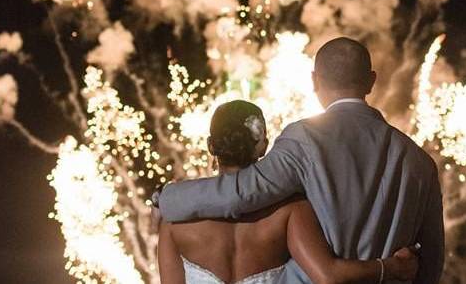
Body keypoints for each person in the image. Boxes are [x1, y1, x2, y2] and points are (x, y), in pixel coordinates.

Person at [154, 37, 444, 283]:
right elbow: (431, 264)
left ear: (315, 81)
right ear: (371, 81)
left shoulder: (303, 140)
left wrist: (167, 198)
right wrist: (389, 269)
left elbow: (240, 192)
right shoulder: (419, 161)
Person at [158, 100, 419, 284]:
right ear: (263, 146)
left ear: (210, 146)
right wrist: (391, 268)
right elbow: (328, 276)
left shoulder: (175, 221)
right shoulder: (289, 211)